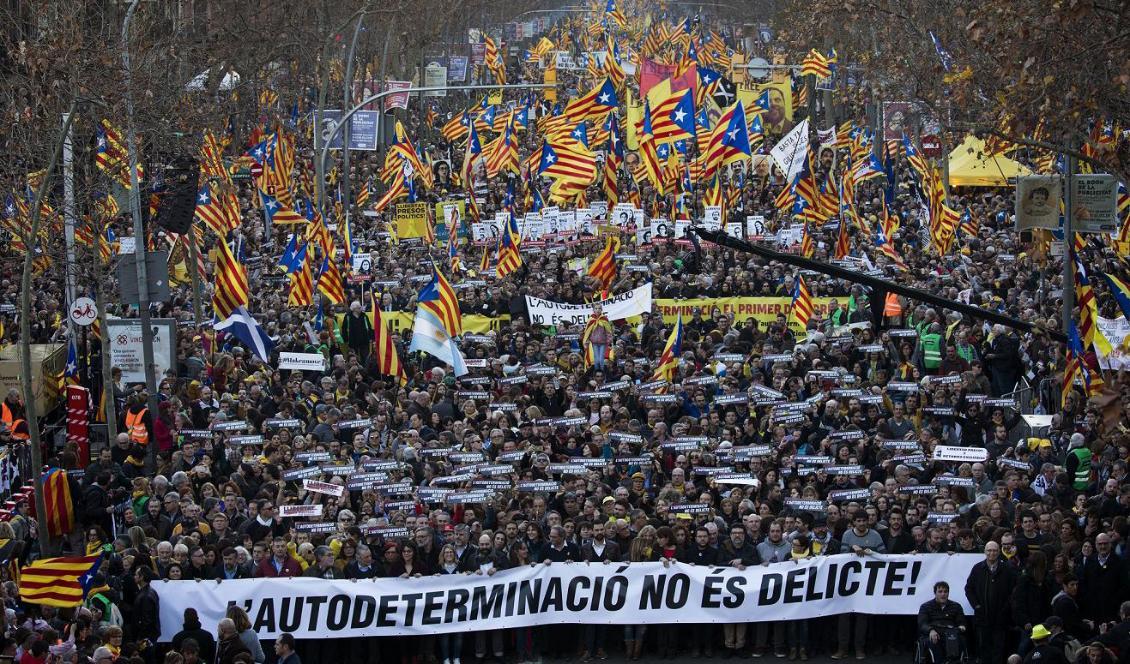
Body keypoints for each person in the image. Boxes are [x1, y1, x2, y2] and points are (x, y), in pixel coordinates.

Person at [965, 540, 1017, 664]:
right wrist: (976, 606)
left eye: (994, 550)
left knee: (999, 649)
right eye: (989, 550)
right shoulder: (977, 568)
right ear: (985, 552)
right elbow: (969, 589)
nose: (991, 553)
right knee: (983, 648)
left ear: (999, 552)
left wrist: (1006, 608)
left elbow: (1014, 591)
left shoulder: (1007, 569)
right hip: (982, 618)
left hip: (1001, 618)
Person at [917, 581, 966, 663]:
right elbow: (922, 623)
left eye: (945, 592)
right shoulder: (926, 606)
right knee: (933, 640)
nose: (943, 594)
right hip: (934, 632)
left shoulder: (956, 606)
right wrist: (930, 630)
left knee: (957, 638)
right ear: (935, 593)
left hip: (950, 633)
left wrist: (962, 626)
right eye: (940, 592)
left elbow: (962, 622)